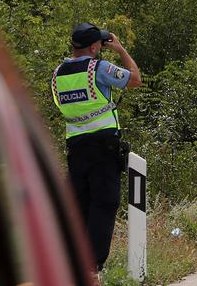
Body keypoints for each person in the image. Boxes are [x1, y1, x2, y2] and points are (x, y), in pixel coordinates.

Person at [51, 22, 142, 271]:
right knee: (105, 202)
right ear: (93, 47)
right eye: (100, 44)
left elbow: (63, 106)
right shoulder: (98, 68)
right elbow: (135, 79)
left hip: (75, 146)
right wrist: (120, 50)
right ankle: (92, 266)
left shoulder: (58, 74)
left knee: (80, 205)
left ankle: (74, 263)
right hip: (103, 146)